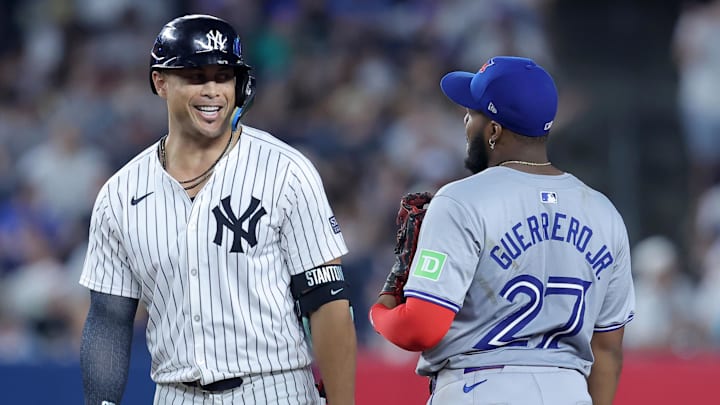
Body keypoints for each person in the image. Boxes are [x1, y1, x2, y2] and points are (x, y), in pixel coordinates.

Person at [79, 14, 356, 405]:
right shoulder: (120, 193)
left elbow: (328, 303)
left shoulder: (285, 170)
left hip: (275, 388)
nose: (213, 90)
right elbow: (109, 318)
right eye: (196, 76)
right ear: (160, 82)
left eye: (224, 76)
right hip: (176, 394)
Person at [369, 56, 635, 405]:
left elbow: (422, 326)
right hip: (568, 390)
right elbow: (608, 350)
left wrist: (381, 309)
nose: (465, 121)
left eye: (473, 113)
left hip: (479, 386)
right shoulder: (604, 212)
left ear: (494, 131)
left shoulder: (461, 199)